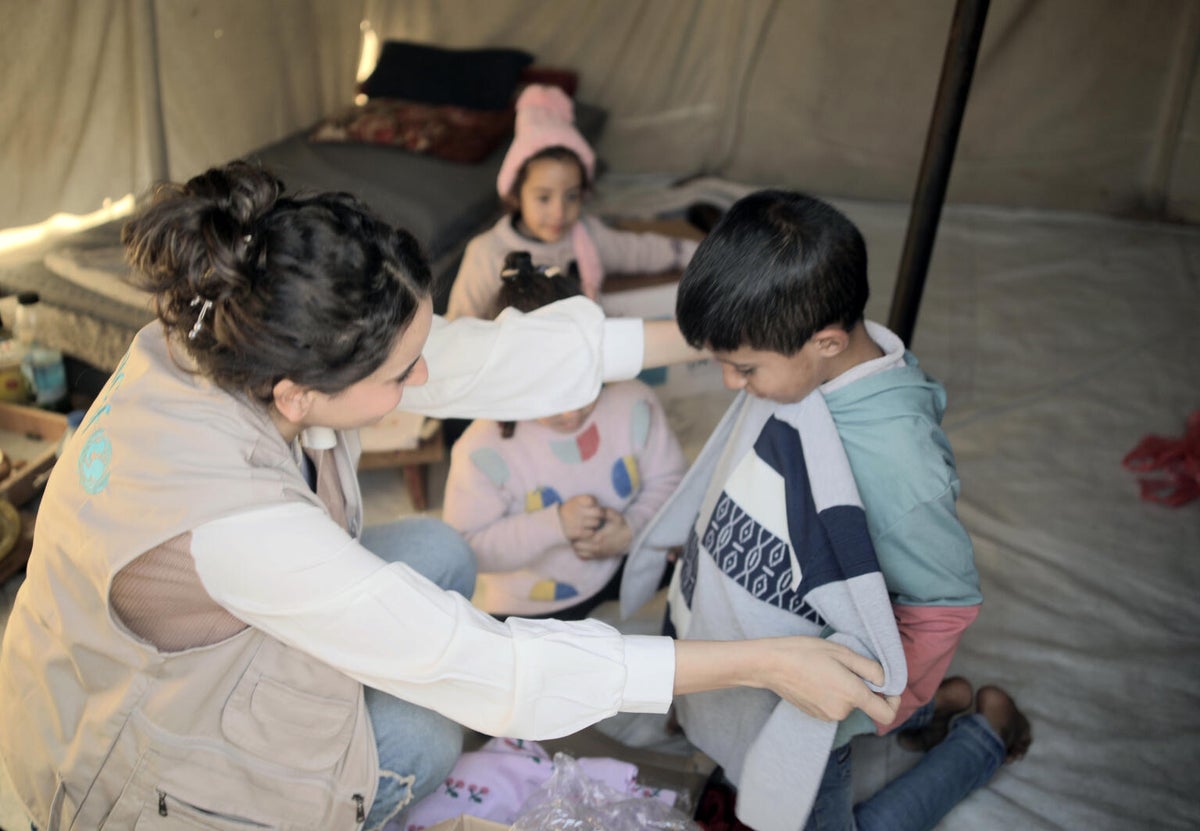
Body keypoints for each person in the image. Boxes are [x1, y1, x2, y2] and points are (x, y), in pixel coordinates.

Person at [0, 163, 900, 831]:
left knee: (435, 552)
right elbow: (504, 675)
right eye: (401, 374)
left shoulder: (230, 326)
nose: (427, 377)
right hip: (122, 767)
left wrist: (717, 337)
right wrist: (765, 661)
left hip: (181, 659)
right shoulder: (234, 522)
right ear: (299, 397)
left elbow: (483, 358)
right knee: (430, 731)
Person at [620, 190, 1032, 831]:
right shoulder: (802, 373)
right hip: (755, 677)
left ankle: (983, 737)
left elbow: (942, 606)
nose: (732, 385)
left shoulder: (900, 464)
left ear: (828, 342)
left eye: (744, 368)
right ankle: (940, 706)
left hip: (810, 712)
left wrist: (866, 711)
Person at [443, 252, 687, 620]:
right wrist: (555, 525)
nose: (571, 413)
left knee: (702, 554)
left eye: (581, 387)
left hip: (622, 557)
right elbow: (467, 549)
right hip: (531, 600)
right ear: (509, 381)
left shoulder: (634, 402)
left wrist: (633, 529)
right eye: (550, 396)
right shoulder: (481, 450)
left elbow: (671, 481)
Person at [445, 84, 699, 321]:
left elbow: (641, 252)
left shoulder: (587, 236)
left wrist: (702, 256)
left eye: (572, 196)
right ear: (516, 193)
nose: (559, 212)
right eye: (544, 197)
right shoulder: (486, 254)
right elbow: (459, 328)